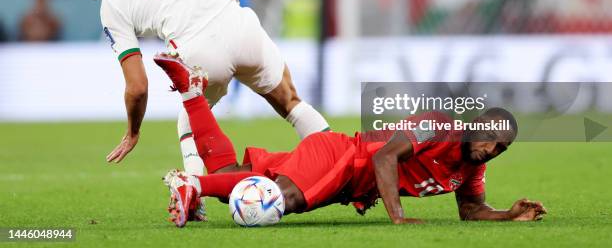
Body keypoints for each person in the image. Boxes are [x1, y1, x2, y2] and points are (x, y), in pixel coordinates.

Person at [63, 0, 330, 182]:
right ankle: (339, 161)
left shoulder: (111, 7)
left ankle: (194, 187)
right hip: (238, 22)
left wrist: (133, 132)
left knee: (189, 124)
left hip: (200, 51)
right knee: (291, 103)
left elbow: (137, 87)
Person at [158, 61, 546, 226]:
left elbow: (471, 211)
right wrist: (397, 216)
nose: (491, 149)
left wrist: (506, 215)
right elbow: (386, 159)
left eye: (501, 148)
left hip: (346, 177)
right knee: (280, 200)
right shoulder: (439, 126)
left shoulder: (473, 167)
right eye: (491, 138)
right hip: (343, 156)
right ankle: (190, 185)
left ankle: (192, 93)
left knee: (232, 181)